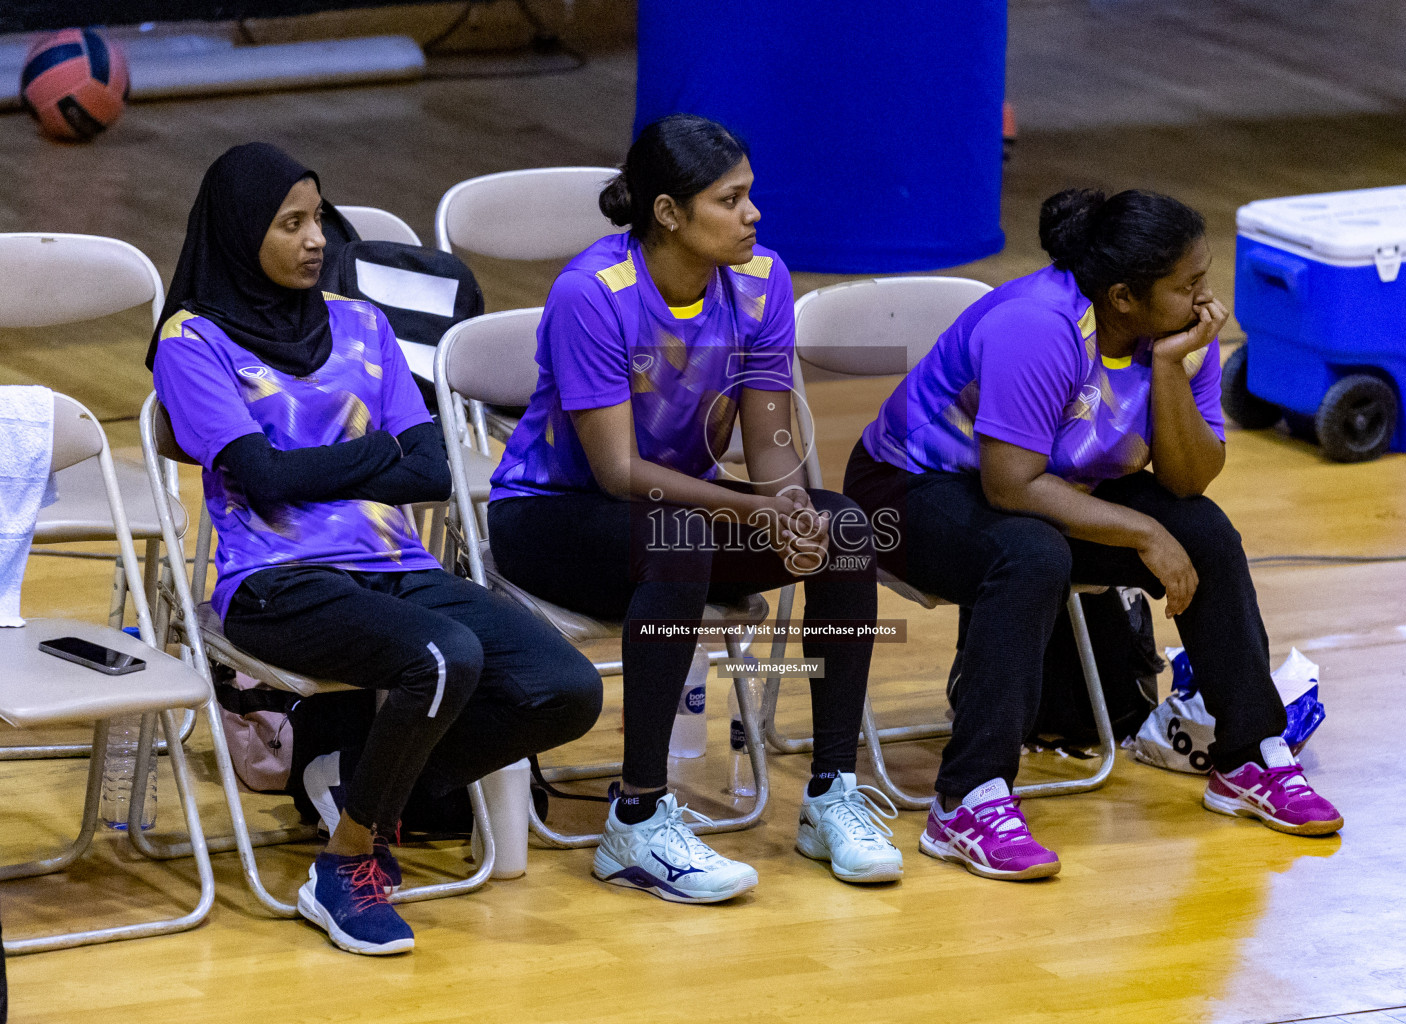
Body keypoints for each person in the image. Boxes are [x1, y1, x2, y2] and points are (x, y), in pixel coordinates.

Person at [148, 143, 602, 954]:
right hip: (276, 582)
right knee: (442, 657)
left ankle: (357, 781)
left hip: (397, 566)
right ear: (240, 230)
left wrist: (311, 467)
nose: (316, 238)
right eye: (291, 223)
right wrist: (371, 458)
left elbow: (429, 467)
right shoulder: (194, 342)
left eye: (318, 217)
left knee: (563, 688)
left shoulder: (362, 322)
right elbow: (258, 475)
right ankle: (346, 862)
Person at [843, 188, 1343, 882]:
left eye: (1204, 278)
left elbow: (1190, 480)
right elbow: (1008, 486)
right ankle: (967, 799)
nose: (1206, 302)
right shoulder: (1038, 327)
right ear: (1122, 298)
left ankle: (1249, 755)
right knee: (1029, 553)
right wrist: (1141, 532)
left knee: (1203, 532)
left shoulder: (1176, 341)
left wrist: (1170, 369)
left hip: (1055, 483)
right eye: (1187, 285)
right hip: (906, 491)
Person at [487, 114, 902, 903]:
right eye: (731, 199)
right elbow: (616, 472)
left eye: (751, 196)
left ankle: (831, 795)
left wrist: (789, 509)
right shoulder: (592, 294)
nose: (753, 215)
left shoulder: (760, 281)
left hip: (682, 517)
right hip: (551, 518)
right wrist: (752, 513)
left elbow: (771, 437)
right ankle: (636, 820)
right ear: (669, 213)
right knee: (680, 543)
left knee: (844, 527)